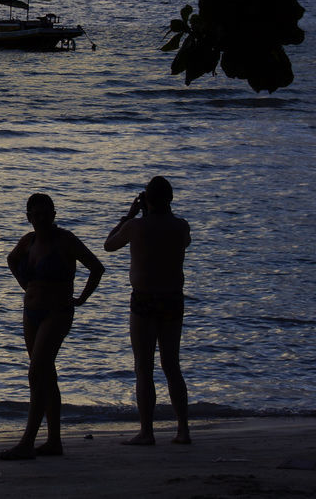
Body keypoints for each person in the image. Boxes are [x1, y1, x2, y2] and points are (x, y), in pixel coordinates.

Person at [0, 193, 104, 460]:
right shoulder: (28, 241)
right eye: (36, 214)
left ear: (54, 215)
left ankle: (27, 442)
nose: (42, 219)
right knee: (45, 374)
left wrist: (81, 297)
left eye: (47, 213)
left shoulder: (65, 240)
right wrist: (26, 285)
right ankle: (54, 441)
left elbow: (96, 267)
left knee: (36, 373)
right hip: (31, 311)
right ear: (29, 217)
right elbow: (11, 260)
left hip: (57, 312)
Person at [104, 175, 192, 446]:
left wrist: (129, 214)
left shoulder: (135, 226)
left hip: (144, 299)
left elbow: (109, 245)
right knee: (172, 366)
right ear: (171, 199)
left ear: (146, 200)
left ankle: (147, 431)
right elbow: (183, 242)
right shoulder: (181, 227)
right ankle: (183, 429)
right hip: (172, 299)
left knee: (144, 367)